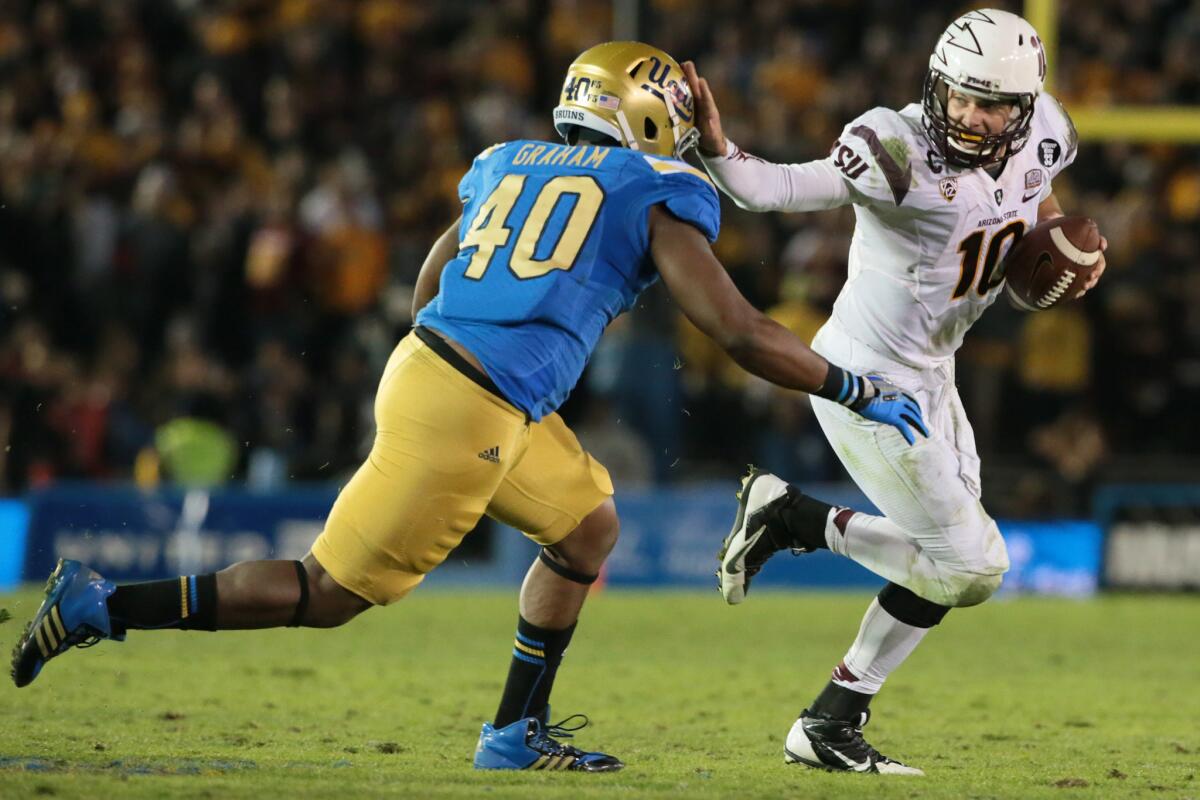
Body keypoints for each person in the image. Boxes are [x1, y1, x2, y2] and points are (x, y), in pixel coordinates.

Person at [10, 41, 926, 772]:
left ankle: (511, 736)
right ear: (645, 113)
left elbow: (430, 277)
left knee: (588, 530)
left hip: (452, 375)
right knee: (325, 595)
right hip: (474, 405)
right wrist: (853, 387)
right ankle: (103, 605)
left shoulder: (506, 163)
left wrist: (460, 354)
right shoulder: (657, 189)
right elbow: (740, 334)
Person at [689, 9, 1106, 775]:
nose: (972, 117)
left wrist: (1059, 249)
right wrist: (719, 150)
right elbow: (776, 189)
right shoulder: (894, 147)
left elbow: (1038, 196)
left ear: (1025, 107)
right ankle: (793, 517)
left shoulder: (1047, 131)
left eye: (993, 106)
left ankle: (828, 723)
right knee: (973, 567)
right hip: (869, 378)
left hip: (934, 372)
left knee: (944, 565)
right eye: (960, 97)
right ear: (936, 85)